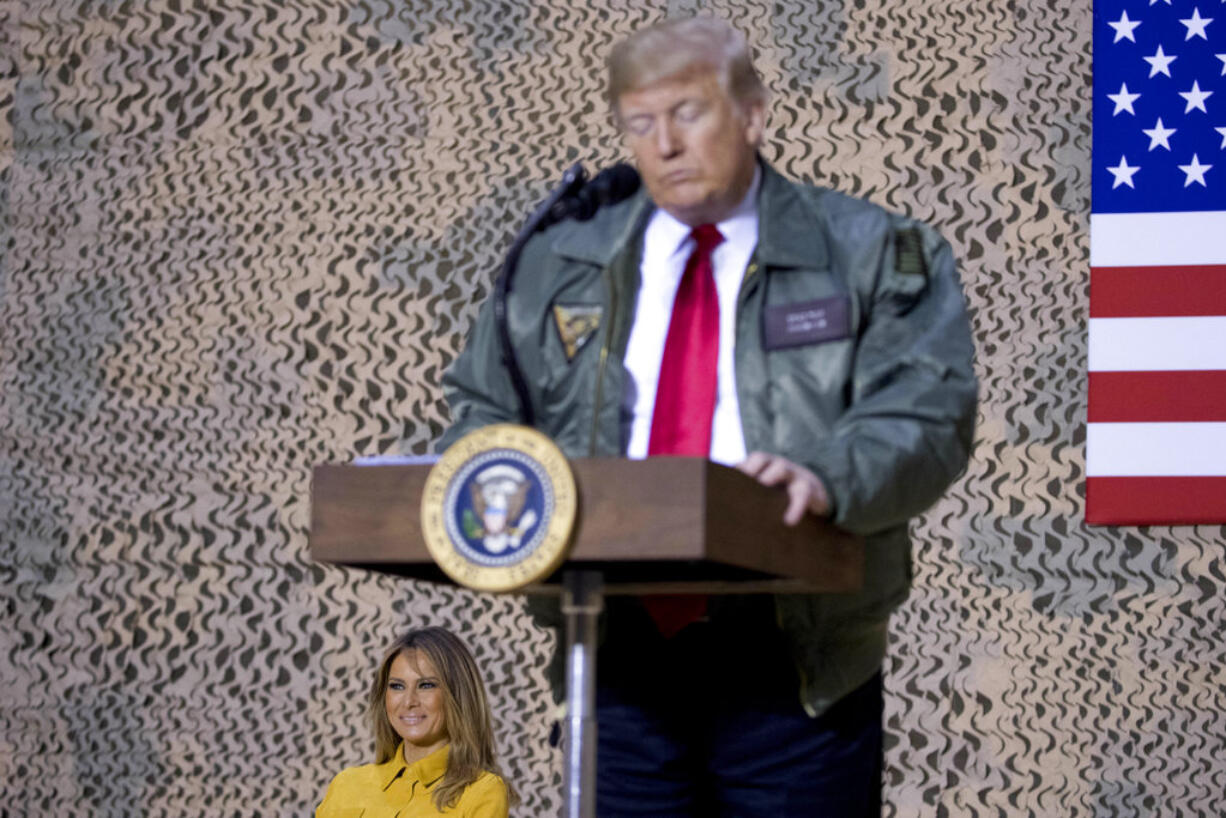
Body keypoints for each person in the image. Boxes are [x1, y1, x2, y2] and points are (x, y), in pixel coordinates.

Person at [439, 15, 977, 817]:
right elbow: (482, 408)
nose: (663, 145)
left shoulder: (874, 251)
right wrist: (490, 483)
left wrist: (827, 477)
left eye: (687, 113)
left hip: (792, 665)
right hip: (610, 655)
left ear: (752, 114)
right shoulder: (557, 260)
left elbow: (926, 413)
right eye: (640, 123)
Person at [316, 627, 515, 817]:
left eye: (426, 685)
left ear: (457, 695)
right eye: (397, 686)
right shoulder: (346, 784)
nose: (409, 701)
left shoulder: (482, 792)